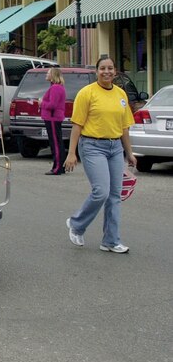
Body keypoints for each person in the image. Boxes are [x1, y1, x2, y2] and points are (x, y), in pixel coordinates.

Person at [64, 56, 136, 253]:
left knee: (114, 196)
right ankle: (77, 224)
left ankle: (111, 241)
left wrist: (129, 152)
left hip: (115, 148)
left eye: (110, 68)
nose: (107, 72)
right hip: (92, 146)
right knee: (101, 191)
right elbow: (77, 125)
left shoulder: (121, 94)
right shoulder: (87, 93)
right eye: (103, 68)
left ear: (115, 71)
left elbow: (124, 127)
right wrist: (72, 153)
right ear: (96, 71)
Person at [40, 68, 66, 175]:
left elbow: (52, 105)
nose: (46, 74)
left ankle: (58, 168)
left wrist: (42, 103)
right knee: (57, 142)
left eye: (48, 73)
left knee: (55, 143)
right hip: (52, 118)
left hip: (53, 118)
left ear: (53, 75)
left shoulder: (55, 88)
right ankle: (60, 166)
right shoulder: (56, 87)